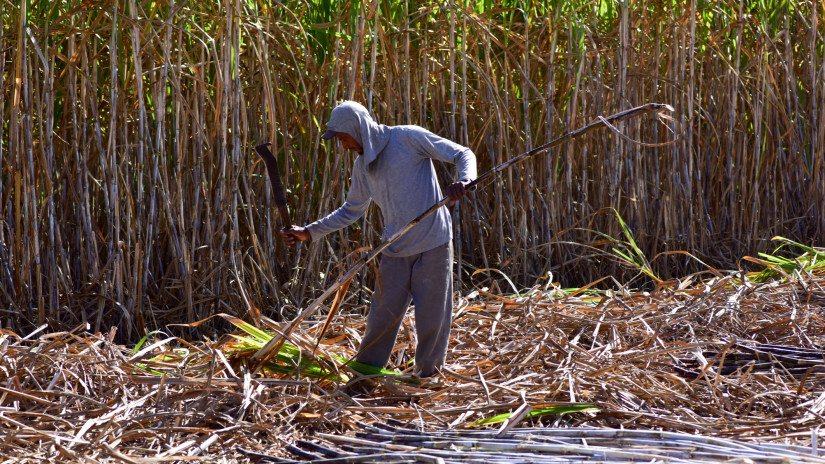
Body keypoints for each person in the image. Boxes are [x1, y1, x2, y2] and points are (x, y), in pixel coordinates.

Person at [280, 101, 477, 379]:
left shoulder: (408, 138)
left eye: (344, 138)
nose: (343, 146)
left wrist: (466, 180)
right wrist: (309, 232)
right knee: (380, 318)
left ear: (357, 128)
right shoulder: (363, 167)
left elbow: (462, 153)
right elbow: (351, 210)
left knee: (432, 319)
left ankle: (427, 380)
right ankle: (365, 376)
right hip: (394, 248)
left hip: (433, 242)